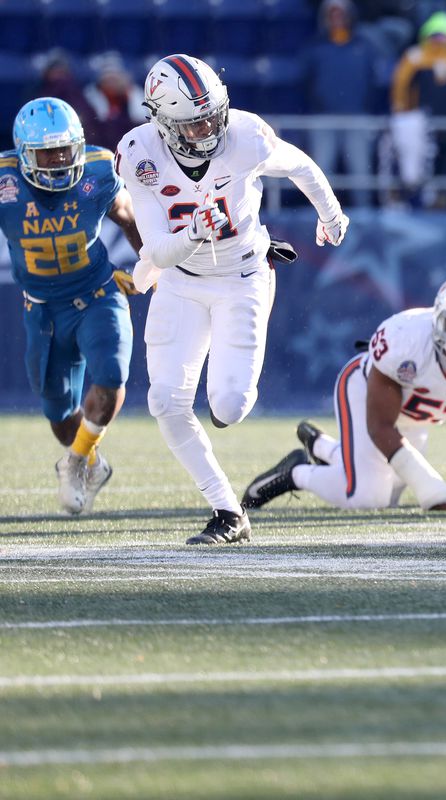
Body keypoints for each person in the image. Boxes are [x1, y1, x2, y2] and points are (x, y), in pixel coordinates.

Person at [118, 53, 349, 545]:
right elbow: (156, 247)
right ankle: (228, 512)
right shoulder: (139, 153)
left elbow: (301, 166)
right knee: (165, 401)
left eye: (212, 116)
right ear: (160, 121)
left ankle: (233, 427)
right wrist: (194, 234)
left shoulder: (245, 136)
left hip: (243, 274)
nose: (207, 129)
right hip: (179, 279)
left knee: (230, 404)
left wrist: (330, 217)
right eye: (193, 123)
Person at [241, 272, 446, 512]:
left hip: (414, 419)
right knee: (368, 498)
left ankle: (324, 449)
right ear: (439, 320)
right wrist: (428, 483)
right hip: (366, 396)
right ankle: (297, 472)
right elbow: (379, 426)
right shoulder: (406, 338)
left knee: (389, 493)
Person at [1, 97, 142, 515]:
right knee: (60, 417)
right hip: (42, 309)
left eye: (65, 149)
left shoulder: (98, 171)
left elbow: (130, 219)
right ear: (25, 152)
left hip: (99, 293)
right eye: (47, 152)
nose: (59, 160)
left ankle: (76, 462)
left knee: (112, 376)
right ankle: (90, 461)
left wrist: (155, 269)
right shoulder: (5, 182)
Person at [389, 11, 446, 207]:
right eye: (436, 35)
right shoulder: (415, 58)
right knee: (415, 167)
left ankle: (440, 202)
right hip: (421, 124)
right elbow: (401, 86)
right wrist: (403, 112)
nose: (440, 40)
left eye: (445, 36)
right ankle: (411, 202)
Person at [306, 0, 377, 208]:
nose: (337, 19)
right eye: (332, 14)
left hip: (358, 118)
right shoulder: (315, 48)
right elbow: (306, 83)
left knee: (361, 174)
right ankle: (320, 217)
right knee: (320, 173)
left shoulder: (364, 47)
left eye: (341, 14)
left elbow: (372, 82)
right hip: (323, 118)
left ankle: (365, 218)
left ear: (349, 16)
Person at [81, 53, 143, 152]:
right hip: (102, 150)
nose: (111, 82)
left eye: (115, 78)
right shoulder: (91, 97)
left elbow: (140, 123)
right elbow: (93, 129)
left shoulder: (134, 95)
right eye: (108, 79)